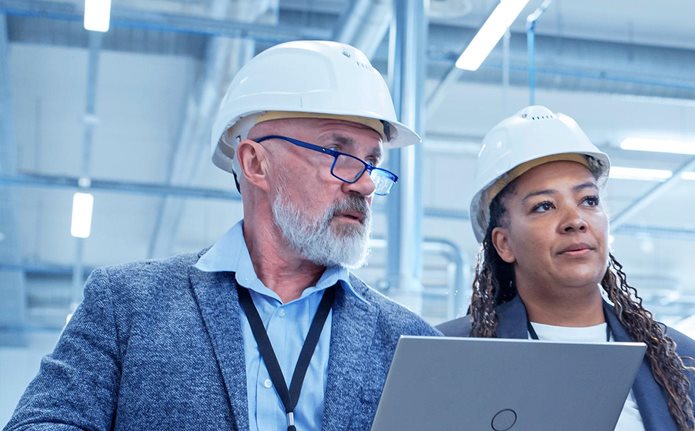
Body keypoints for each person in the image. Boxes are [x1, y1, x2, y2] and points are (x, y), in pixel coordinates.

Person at [5, 40, 438, 431]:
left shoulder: (410, 341)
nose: (364, 184)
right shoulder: (128, 305)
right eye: (340, 154)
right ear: (255, 163)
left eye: (372, 161)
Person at [438, 105, 695, 431]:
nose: (575, 221)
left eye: (589, 200)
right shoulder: (451, 353)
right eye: (544, 206)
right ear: (504, 244)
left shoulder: (680, 359)